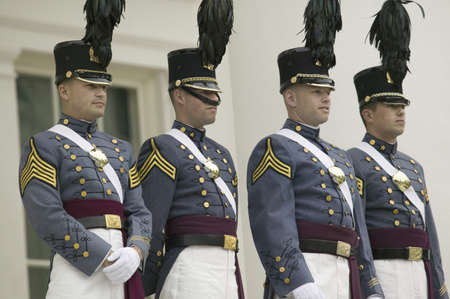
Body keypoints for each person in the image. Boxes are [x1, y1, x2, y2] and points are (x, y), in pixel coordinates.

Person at [247, 1, 384, 298]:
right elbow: (272, 223)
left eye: (328, 92)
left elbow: (359, 231)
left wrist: (371, 287)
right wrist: (299, 283)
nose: (326, 99)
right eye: (316, 92)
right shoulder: (276, 146)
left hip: (345, 274)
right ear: (291, 96)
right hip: (308, 271)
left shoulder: (341, 157)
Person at [18, 1, 151, 298]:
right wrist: (104, 255)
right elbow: (47, 216)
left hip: (124, 266)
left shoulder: (121, 149)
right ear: (63, 89)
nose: (101, 92)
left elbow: (139, 210)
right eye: (90, 85)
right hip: (78, 268)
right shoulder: (43, 145)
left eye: (103, 86)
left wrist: (137, 250)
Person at [137, 1, 243, 299]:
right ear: (180, 95)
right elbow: (153, 222)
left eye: (215, 92)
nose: (214, 100)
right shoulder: (163, 148)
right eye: (204, 92)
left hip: (225, 264)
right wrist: (146, 287)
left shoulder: (221, 153)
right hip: (188, 266)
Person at [347, 1, 448, 298]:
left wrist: (439, 286)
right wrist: (370, 285)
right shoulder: (354, 160)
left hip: (420, 272)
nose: (400, 112)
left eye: (402, 106)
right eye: (391, 106)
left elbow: (430, 233)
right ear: (368, 113)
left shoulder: (413, 167)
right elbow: (359, 231)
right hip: (385, 271)